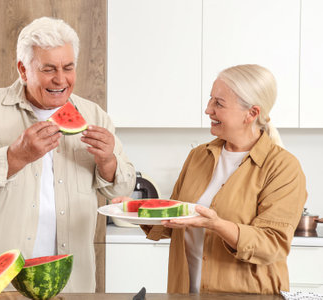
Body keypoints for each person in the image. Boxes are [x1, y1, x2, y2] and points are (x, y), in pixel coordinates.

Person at [0, 16, 136, 292]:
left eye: (68, 67)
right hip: (0, 283)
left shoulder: (94, 115)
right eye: (49, 69)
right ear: (23, 70)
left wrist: (108, 161)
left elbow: (123, 187)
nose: (61, 79)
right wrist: (15, 157)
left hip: (71, 282)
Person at [113, 64, 307, 294]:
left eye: (219, 103)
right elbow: (174, 222)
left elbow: (272, 245)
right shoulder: (198, 156)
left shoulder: (283, 167)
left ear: (252, 113)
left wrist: (217, 225)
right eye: (210, 100)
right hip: (186, 293)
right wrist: (138, 210)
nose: (208, 110)